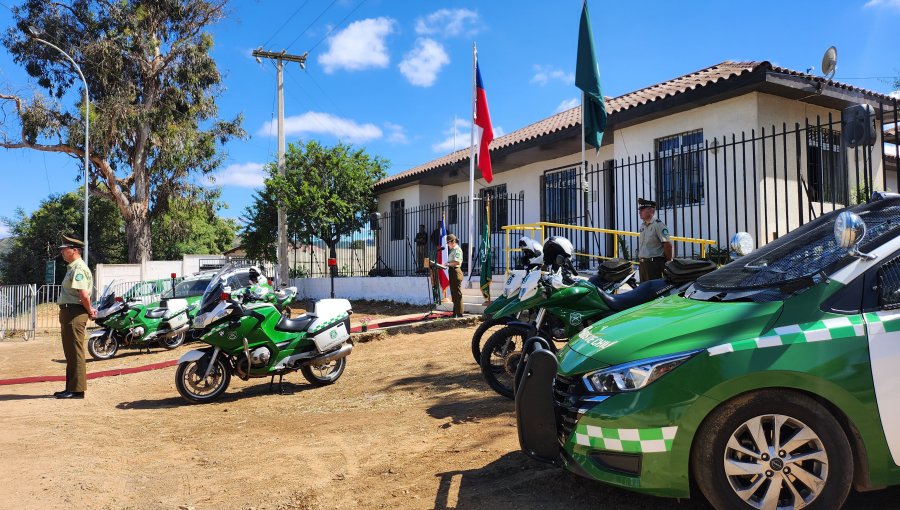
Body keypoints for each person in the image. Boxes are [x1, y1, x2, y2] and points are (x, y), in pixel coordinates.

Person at [55, 236, 96, 399]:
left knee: (75, 351)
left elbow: (84, 295)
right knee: (70, 352)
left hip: (75, 312)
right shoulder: (72, 267)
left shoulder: (78, 268)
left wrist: (90, 310)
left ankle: (77, 390)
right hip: (69, 312)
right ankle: (71, 388)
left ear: (75, 250)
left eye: (65, 249)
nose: (62, 252)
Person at [637, 198, 673, 281]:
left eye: (642, 209)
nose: (639, 212)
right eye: (639, 209)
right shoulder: (643, 225)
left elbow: (667, 245)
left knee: (654, 291)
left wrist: (668, 263)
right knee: (644, 291)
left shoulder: (658, 225)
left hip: (654, 264)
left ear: (650, 210)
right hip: (643, 264)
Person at [445, 233, 464, 317]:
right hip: (452, 272)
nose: (448, 245)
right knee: (453, 293)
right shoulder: (453, 250)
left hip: (456, 271)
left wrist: (448, 264)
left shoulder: (457, 250)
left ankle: (459, 314)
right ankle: (455, 312)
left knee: (457, 294)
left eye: (448, 243)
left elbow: (457, 262)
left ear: (452, 241)